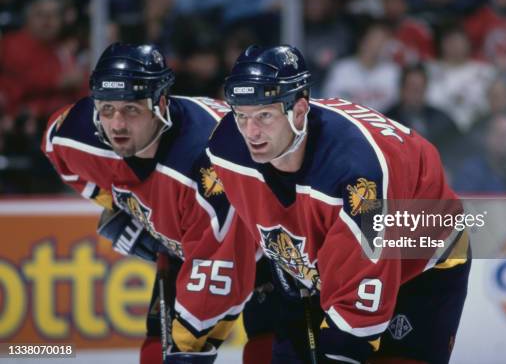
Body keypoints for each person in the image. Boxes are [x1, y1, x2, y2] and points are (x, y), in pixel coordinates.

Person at [207, 45, 470, 363]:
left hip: (422, 259)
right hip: (335, 256)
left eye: (264, 115)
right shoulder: (226, 147)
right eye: (242, 115)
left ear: (300, 111)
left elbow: (358, 313)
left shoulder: (358, 179)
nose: (251, 132)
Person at [41, 43, 261, 363]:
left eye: (131, 109)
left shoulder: (204, 164)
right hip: (200, 238)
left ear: (160, 102)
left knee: (269, 347)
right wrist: (119, 204)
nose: (116, 125)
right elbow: (56, 147)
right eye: (107, 109)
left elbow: (219, 273)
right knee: (157, 350)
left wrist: (185, 350)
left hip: (268, 237)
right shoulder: (79, 133)